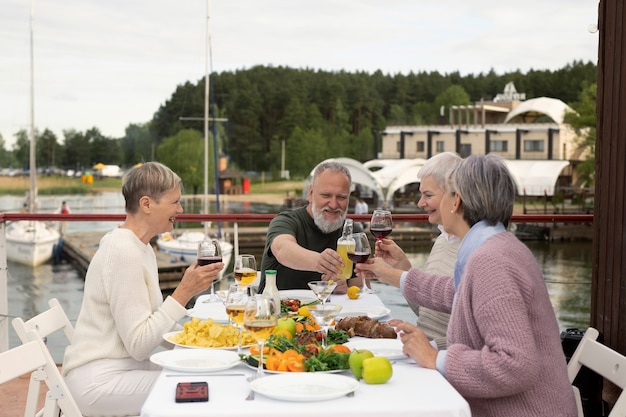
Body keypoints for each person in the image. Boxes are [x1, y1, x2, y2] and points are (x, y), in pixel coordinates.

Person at [356, 154, 577, 416]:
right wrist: (400, 275)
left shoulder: (491, 260)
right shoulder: (495, 246)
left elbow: (515, 365)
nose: (423, 203)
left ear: (456, 200)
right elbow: (456, 292)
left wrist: (435, 358)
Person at [62, 162, 224, 416]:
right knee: (200, 389)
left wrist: (202, 345)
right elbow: (139, 344)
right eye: (175, 202)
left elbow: (154, 322)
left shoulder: (142, 247)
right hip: (99, 381)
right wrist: (183, 292)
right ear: (147, 204)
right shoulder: (123, 252)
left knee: (202, 372)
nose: (180, 209)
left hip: (126, 367)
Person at [375, 152, 461, 349]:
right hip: (426, 351)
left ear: (455, 196)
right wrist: (403, 268)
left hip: (441, 358)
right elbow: (427, 312)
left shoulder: (477, 250)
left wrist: (429, 347)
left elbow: (472, 337)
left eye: (428, 195)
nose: (420, 203)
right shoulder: (442, 239)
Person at [258, 161, 363, 294]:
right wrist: (320, 262)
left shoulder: (353, 232)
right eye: (326, 195)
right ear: (311, 193)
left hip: (330, 313)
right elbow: (282, 249)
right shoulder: (286, 221)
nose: (333, 204)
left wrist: (345, 290)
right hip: (279, 311)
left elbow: (362, 290)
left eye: (341, 197)